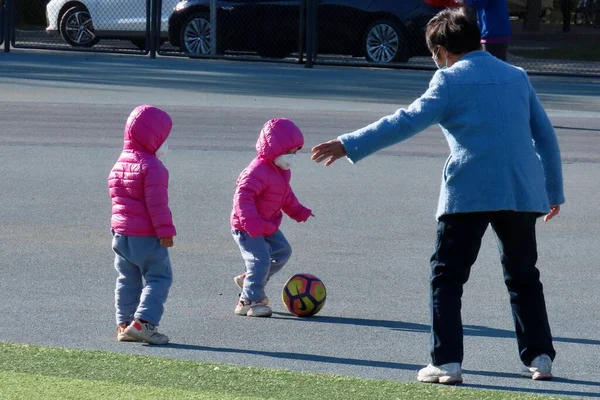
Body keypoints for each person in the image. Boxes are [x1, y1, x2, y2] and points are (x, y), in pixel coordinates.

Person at [311, 8, 564, 384]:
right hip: (520, 189)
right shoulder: (516, 76)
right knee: (524, 276)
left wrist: (349, 144)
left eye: (434, 54)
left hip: (470, 190)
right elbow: (545, 135)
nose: (435, 61)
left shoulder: (447, 80)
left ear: (443, 50)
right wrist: (553, 190)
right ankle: (540, 358)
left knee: (447, 277)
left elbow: (405, 121)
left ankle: (446, 363)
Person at [231, 118, 313, 318]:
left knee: (283, 251)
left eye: (295, 152)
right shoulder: (256, 172)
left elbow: (285, 196)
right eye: (289, 153)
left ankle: (250, 280)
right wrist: (250, 222)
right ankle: (250, 301)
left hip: (267, 223)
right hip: (247, 226)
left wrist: (299, 211)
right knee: (260, 260)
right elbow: (243, 197)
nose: (292, 157)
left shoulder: (281, 172)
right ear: (274, 150)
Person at [108, 105, 176, 345]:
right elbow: (157, 205)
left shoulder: (120, 162)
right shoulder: (153, 167)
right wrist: (165, 231)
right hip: (146, 235)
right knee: (159, 278)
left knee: (127, 279)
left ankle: (124, 323)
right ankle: (145, 323)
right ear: (154, 138)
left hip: (120, 234)